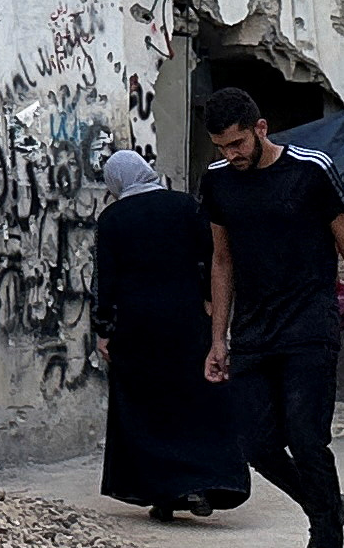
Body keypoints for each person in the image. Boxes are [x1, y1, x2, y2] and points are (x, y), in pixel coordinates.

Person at [201, 89, 344, 548]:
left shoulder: (311, 170)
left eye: (238, 143)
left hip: (310, 328)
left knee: (308, 442)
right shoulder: (218, 181)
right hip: (252, 332)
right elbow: (222, 260)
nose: (232, 154)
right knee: (257, 445)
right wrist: (217, 337)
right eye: (222, 146)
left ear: (261, 127)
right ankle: (326, 508)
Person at [91, 150, 242, 519]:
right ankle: (202, 484)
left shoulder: (112, 219)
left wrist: (104, 330)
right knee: (194, 401)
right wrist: (212, 305)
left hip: (137, 327)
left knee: (147, 410)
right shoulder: (185, 206)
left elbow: (105, 281)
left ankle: (163, 494)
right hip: (187, 319)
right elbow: (213, 257)